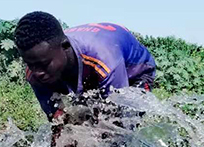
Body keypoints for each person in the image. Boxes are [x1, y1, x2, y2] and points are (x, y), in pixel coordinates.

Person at [14, 12, 156, 122]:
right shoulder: (35, 72)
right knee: (75, 126)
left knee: (119, 124)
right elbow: (56, 120)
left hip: (134, 72)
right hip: (83, 67)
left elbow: (115, 120)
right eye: (30, 64)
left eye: (44, 64)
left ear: (65, 46)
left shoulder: (103, 58)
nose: (37, 72)